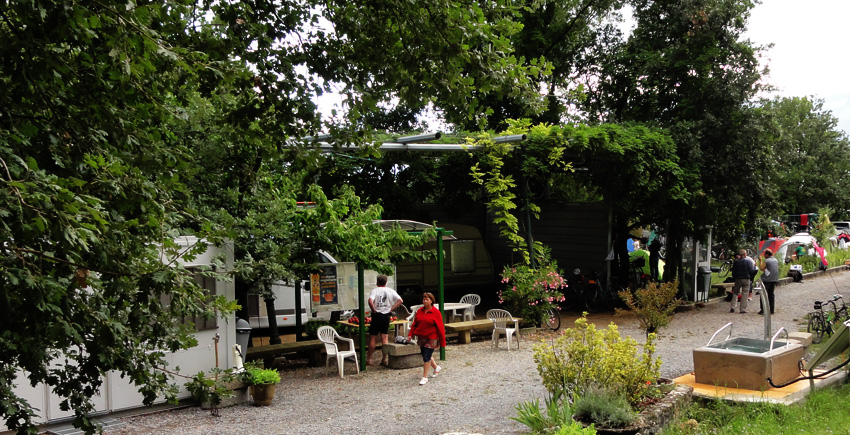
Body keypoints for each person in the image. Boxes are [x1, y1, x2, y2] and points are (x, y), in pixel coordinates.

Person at [407, 292, 446, 385]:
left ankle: (424, 377)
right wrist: (410, 334)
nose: (425, 301)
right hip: (421, 336)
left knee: (426, 357)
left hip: (432, 337)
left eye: (427, 299)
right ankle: (436, 368)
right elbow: (415, 324)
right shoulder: (419, 311)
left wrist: (442, 341)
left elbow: (440, 328)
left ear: (432, 301)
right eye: (424, 299)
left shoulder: (436, 312)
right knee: (424, 354)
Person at [367, 275, 404, 367]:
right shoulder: (390, 291)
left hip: (376, 315)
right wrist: (391, 308)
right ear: (386, 282)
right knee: (385, 337)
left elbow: (370, 301)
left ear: (377, 282)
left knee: (373, 337)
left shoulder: (375, 290)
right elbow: (400, 300)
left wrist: (373, 309)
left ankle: (369, 359)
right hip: (386, 315)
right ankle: (384, 359)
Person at [730, 249, 756, 313]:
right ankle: (742, 309)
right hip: (746, 279)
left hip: (738, 279)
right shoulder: (748, 262)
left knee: (735, 292)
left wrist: (735, 277)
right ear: (745, 254)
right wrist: (755, 268)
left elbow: (733, 272)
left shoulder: (736, 262)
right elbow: (751, 271)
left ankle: (733, 307)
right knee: (745, 293)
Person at [758, 249, 779, 315]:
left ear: (767, 254)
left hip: (767, 279)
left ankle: (763, 310)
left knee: (764, 294)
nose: (764, 255)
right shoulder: (776, 260)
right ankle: (772, 309)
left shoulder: (767, 261)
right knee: (771, 294)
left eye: (764, 254)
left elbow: (761, 268)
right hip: (774, 279)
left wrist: (760, 260)